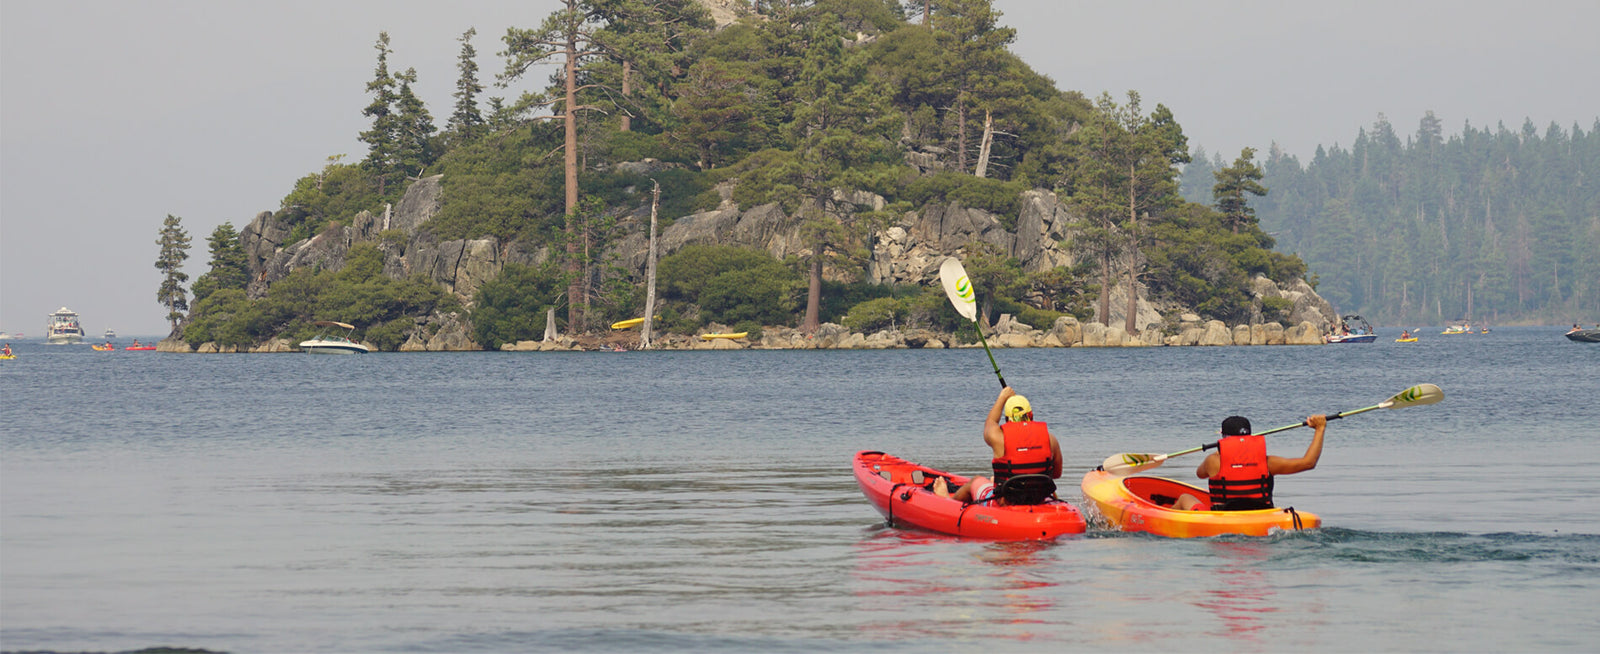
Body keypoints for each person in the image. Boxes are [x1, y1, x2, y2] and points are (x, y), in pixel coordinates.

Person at [933, 387, 1064, 504]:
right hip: (1038, 498)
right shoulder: (1050, 439)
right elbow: (1056, 474)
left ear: (1007, 419)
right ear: (1031, 415)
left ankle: (947, 501)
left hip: (1006, 500)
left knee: (976, 481)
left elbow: (990, 422)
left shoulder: (1000, 438)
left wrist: (1002, 397)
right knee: (993, 479)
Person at [1172, 414, 1327, 511]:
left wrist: (1222, 452)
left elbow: (1199, 474)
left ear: (1223, 438)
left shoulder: (1212, 461)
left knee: (1185, 497)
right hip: (1261, 514)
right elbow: (1308, 463)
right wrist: (1320, 429)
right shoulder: (1268, 463)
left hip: (1224, 518)